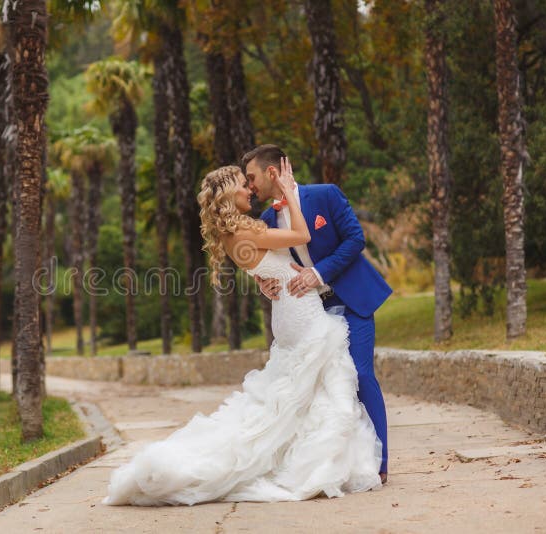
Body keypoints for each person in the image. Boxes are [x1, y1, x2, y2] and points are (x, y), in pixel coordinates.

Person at [103, 156, 383, 506]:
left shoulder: (236, 233)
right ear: (227, 194)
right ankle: (324, 465)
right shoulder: (248, 229)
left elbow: (265, 270)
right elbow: (303, 235)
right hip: (301, 313)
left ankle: (332, 460)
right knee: (324, 389)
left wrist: (266, 280)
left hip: (288, 314)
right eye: (241, 182)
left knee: (301, 394)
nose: (248, 188)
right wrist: (287, 193)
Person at [243, 144, 392, 483]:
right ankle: (339, 464)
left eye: (251, 178)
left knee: (361, 374)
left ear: (271, 173)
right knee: (324, 387)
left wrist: (319, 272)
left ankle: (380, 465)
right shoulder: (266, 220)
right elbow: (270, 267)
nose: (250, 187)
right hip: (310, 311)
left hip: (352, 299)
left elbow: (355, 239)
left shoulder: (325, 195)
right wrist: (265, 285)